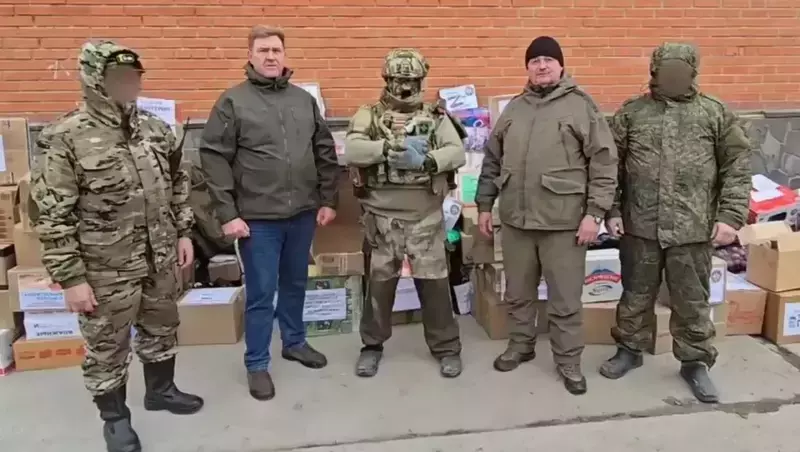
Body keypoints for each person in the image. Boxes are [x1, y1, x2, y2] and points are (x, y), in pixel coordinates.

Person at [29, 40, 202, 452]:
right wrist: (71, 278)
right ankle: (116, 421)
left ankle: (161, 391)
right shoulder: (65, 137)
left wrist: (183, 232)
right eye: (119, 77)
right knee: (107, 346)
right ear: (95, 80)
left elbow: (179, 183)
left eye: (134, 77)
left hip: (159, 258)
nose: (129, 84)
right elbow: (51, 216)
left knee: (162, 327)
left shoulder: (156, 129)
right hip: (104, 268)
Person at [599, 42, 751, 403]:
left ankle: (695, 362)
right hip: (640, 226)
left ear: (693, 73)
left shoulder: (714, 114)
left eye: (680, 71)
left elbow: (737, 167)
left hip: (692, 229)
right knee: (635, 294)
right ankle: (629, 349)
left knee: (692, 301)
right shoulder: (632, 113)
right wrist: (612, 211)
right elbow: (609, 167)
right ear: (654, 72)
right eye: (666, 71)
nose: (672, 77)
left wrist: (730, 216)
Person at [198, 25, 340, 401]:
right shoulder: (233, 102)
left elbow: (324, 150)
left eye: (276, 50)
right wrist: (227, 213)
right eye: (263, 50)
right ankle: (257, 363)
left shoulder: (302, 100)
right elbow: (213, 158)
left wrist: (328, 199)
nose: (271, 56)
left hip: (302, 213)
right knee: (262, 293)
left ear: (284, 55)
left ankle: (294, 342)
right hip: (257, 219)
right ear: (250, 56)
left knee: (295, 283)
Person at [475, 36, 618, 395]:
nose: (541, 66)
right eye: (534, 61)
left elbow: (604, 163)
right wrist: (484, 205)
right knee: (518, 293)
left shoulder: (581, 106)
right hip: (517, 221)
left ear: (561, 65)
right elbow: (492, 160)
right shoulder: (515, 109)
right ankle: (521, 345)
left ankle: (568, 361)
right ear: (527, 67)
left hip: (563, 224)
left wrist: (594, 214)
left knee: (565, 299)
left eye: (548, 60)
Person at [344, 48, 467, 378]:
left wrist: (426, 161)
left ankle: (447, 348)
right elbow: (351, 150)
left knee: (435, 286)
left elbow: (457, 152)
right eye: (399, 79)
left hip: (425, 217)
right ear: (387, 80)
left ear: (421, 80)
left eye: (412, 80)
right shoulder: (369, 115)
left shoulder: (436, 116)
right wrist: (386, 149)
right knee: (379, 287)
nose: (406, 87)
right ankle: (372, 346)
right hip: (382, 219)